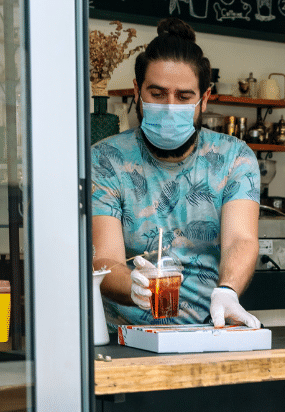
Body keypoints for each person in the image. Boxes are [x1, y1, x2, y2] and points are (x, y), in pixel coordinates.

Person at [91, 18, 261, 329]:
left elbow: (241, 238)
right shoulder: (105, 160)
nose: (170, 107)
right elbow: (105, 258)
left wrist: (228, 290)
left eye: (183, 97)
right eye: (157, 94)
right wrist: (133, 287)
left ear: (204, 99)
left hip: (211, 330)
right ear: (137, 91)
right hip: (127, 339)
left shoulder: (235, 158)